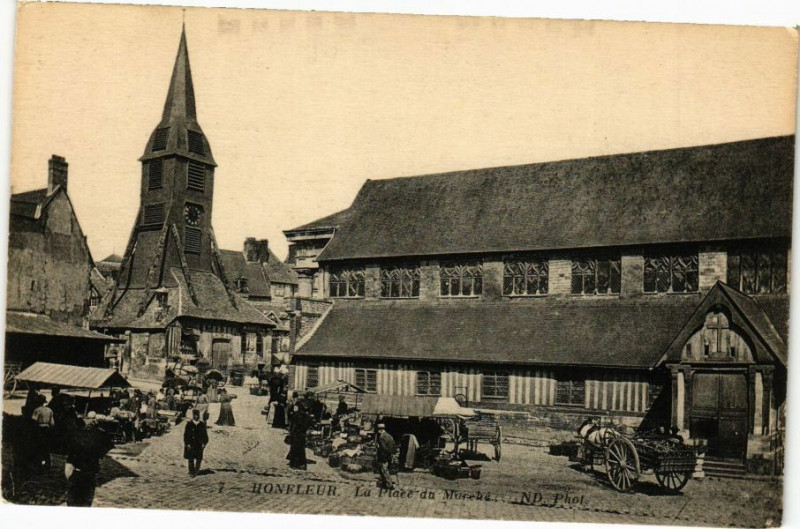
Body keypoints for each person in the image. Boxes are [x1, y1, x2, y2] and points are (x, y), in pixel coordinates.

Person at [64, 419, 114, 506]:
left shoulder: (76, 443)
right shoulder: (95, 445)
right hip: (90, 476)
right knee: (86, 501)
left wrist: (69, 478)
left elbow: (68, 466)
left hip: (77, 474)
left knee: (73, 502)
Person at [286, 398, 312, 470]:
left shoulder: (298, 415)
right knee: (299, 449)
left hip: (297, 434)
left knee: (296, 449)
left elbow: (292, 419)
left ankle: (295, 464)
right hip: (300, 434)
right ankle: (300, 464)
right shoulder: (304, 415)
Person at [31, 394, 54, 471]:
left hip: (39, 430)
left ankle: (39, 464)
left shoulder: (37, 410)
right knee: (46, 448)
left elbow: (34, 421)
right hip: (47, 430)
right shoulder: (49, 410)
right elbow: (52, 423)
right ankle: (48, 465)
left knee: (38, 447)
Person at [183, 409, 208, 477]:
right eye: (195, 415)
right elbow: (186, 435)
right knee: (191, 458)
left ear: (199, 416)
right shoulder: (189, 424)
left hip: (199, 445)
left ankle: (197, 470)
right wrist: (187, 443)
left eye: (197, 415)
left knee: (199, 458)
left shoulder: (202, 424)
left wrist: (204, 443)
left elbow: (205, 435)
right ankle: (191, 471)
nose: (196, 417)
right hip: (191, 444)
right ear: (193, 416)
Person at [375, 423, 396, 490]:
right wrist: (392, 453)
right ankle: (384, 484)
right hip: (389, 455)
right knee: (385, 469)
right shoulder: (390, 436)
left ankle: (389, 485)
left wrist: (378, 447)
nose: (378, 431)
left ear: (380, 430)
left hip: (383, 456)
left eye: (378, 430)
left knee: (384, 470)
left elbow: (383, 448)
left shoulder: (381, 437)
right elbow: (394, 446)